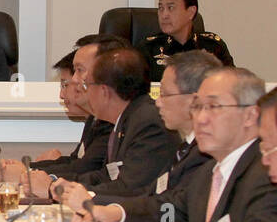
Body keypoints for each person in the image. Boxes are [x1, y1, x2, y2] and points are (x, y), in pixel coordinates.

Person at [79, 67, 277, 222]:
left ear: (250, 115)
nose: (200, 119)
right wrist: (115, 213)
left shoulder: (269, 171)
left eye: (213, 107)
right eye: (197, 107)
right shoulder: (209, 171)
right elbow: (171, 207)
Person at [66, 50, 219, 207]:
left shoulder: (149, 122)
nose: (158, 102)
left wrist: (90, 199)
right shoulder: (186, 148)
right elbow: (153, 196)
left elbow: (151, 197)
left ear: (193, 100)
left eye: (164, 94)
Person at [0, 35, 128, 193]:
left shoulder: (135, 121)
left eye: (79, 71)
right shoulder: (99, 118)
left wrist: (32, 177)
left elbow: (92, 171)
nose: (75, 80)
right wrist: (33, 174)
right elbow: (93, 172)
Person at [40, 47, 176, 196]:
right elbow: (106, 176)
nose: (84, 91)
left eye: (88, 86)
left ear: (104, 92)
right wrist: (55, 183)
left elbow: (129, 189)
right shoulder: (127, 119)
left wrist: (55, 190)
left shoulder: (147, 123)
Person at [134, 0, 233, 82]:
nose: (164, 15)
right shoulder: (148, 48)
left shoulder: (213, 46)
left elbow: (231, 85)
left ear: (191, 12)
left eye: (171, 8)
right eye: (161, 8)